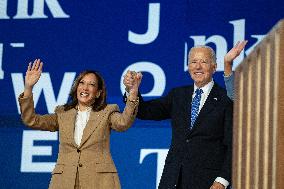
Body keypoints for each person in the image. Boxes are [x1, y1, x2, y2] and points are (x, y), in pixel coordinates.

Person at [123, 44, 245, 189]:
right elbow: (145, 111)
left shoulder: (225, 100)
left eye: (204, 62)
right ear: (188, 67)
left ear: (214, 67)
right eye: (193, 62)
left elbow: (233, 144)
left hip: (208, 182)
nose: (198, 67)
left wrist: (222, 180)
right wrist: (133, 91)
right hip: (172, 180)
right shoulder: (178, 95)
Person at [18, 59, 140, 189]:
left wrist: (132, 94)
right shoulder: (62, 113)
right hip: (65, 181)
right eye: (82, 83)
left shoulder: (107, 112)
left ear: (98, 93)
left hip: (99, 182)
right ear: (76, 87)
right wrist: (28, 88)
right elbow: (31, 120)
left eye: (91, 84)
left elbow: (123, 123)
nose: (85, 88)